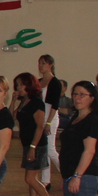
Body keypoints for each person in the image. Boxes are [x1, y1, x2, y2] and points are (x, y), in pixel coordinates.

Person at [12, 72, 58, 196]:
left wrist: (33, 147)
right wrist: (13, 101)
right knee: (33, 178)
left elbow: (39, 127)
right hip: (27, 144)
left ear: (29, 85)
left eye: (21, 84)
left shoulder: (37, 103)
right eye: (17, 85)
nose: (19, 87)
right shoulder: (24, 101)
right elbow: (13, 117)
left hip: (37, 144)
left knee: (30, 178)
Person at [38, 54, 65, 186]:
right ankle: (45, 180)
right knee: (43, 150)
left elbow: (55, 105)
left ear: (51, 65)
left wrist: (48, 122)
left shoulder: (55, 82)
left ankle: (67, 173)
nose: (41, 66)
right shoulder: (38, 82)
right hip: (41, 117)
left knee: (50, 150)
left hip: (51, 118)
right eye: (40, 63)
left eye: (44, 63)